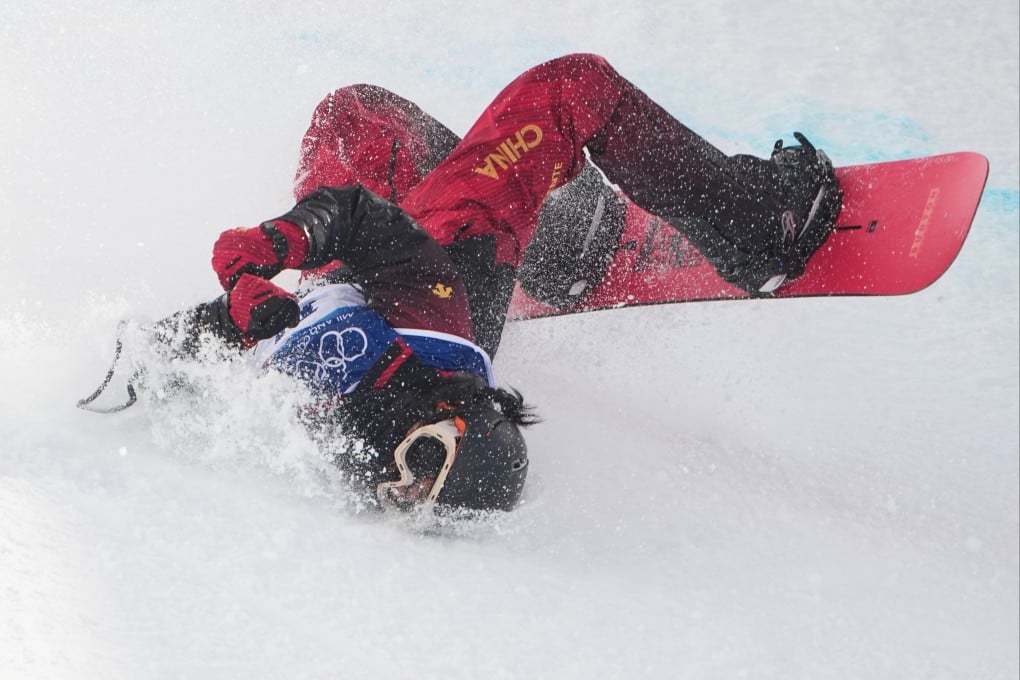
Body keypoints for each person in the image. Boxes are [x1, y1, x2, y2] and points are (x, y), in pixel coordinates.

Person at [136, 53, 842, 518]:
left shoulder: (325, 411)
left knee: (358, 118)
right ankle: (758, 230)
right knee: (574, 88)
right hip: (441, 249)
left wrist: (168, 345)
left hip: (355, 275)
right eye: (424, 462)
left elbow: (211, 340)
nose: (406, 479)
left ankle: (564, 230)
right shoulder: (426, 314)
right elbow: (353, 219)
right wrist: (270, 245)